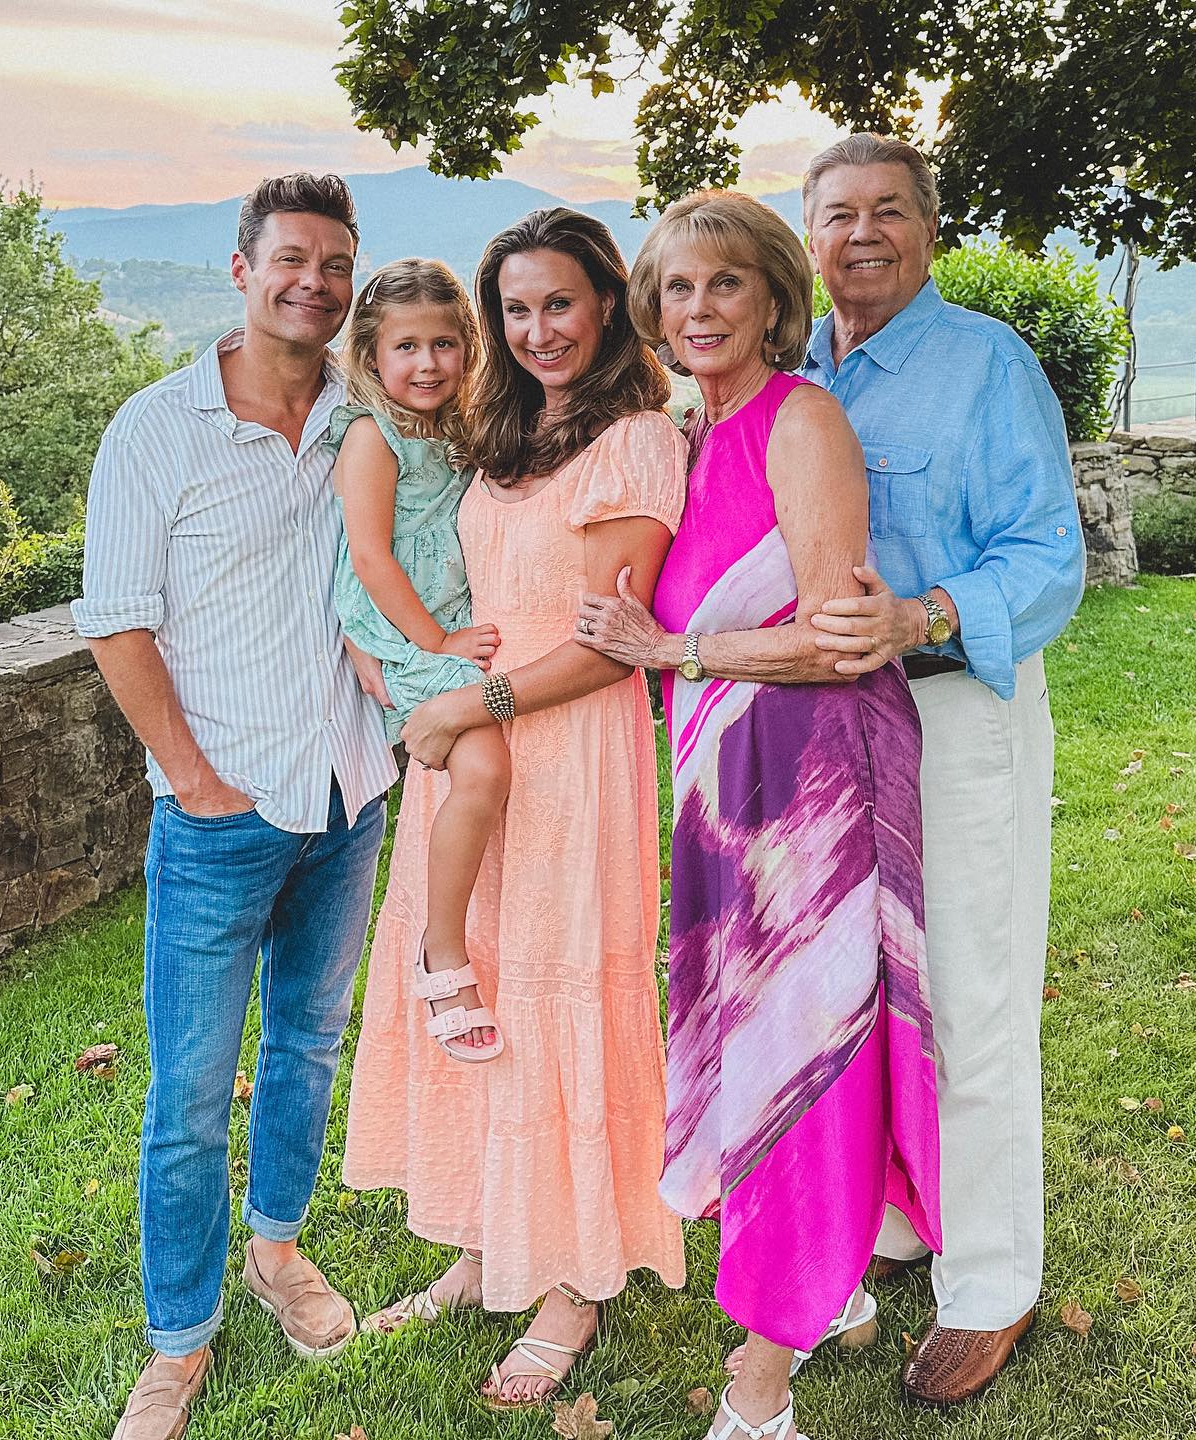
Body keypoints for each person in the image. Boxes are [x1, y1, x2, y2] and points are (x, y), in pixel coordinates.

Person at [577, 189, 940, 1440]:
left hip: (808, 790)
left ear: (776, 298)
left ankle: (760, 1383)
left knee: (805, 1051)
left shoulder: (802, 419)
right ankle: (827, 1286)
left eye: (724, 283)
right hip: (723, 795)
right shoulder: (687, 436)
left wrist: (670, 648)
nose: (698, 309)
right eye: (676, 290)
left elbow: (838, 642)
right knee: (760, 1044)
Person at [341, 207, 687, 1405]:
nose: (536, 329)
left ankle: (569, 1282)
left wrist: (472, 701)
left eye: (559, 303)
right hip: (471, 735)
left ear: (606, 306)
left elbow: (612, 646)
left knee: (553, 989)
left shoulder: (636, 439)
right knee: (470, 980)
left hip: (561, 738)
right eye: (516, 308)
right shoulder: (499, 430)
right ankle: (486, 1243)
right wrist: (416, 677)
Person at [72, 173, 398, 1440]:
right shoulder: (157, 429)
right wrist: (195, 781)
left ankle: (277, 1251)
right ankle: (179, 1337)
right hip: (218, 816)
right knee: (191, 1092)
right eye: (291, 260)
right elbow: (116, 622)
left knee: (309, 1049)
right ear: (240, 267)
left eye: (335, 264)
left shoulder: (364, 422)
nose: (312, 282)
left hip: (350, 794)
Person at [798, 133, 1085, 1406]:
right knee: (864, 995)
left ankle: (991, 1284)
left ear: (930, 228)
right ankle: (898, 1223)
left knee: (971, 997)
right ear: (804, 235)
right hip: (827, 737)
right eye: (837, 214)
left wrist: (926, 617)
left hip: (955, 711)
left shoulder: (985, 364)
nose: (863, 234)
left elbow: (1049, 557)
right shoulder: (793, 368)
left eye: (890, 212)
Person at [328, 257, 508, 1062]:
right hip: (408, 632)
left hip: (454, 621)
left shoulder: (459, 429)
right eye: (405, 347)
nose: (427, 363)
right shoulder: (374, 436)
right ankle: (442, 948)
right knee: (484, 771)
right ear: (371, 357)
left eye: (444, 344)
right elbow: (370, 557)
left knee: (491, 770)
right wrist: (434, 644)